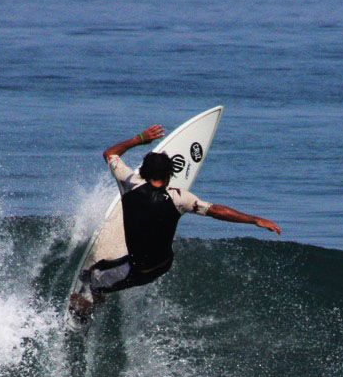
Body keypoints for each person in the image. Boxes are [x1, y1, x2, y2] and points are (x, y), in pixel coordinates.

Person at [70, 123, 281, 318]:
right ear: (170, 174)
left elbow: (110, 153)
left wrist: (139, 139)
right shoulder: (180, 198)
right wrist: (255, 220)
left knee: (91, 277)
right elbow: (217, 210)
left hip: (137, 270)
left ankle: (88, 308)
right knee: (108, 265)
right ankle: (105, 288)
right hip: (162, 265)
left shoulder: (130, 183)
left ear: (143, 172)